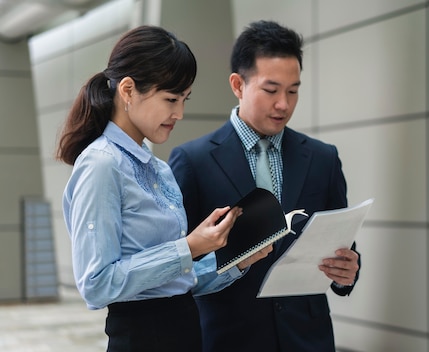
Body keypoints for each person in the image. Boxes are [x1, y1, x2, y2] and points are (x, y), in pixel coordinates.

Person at [57, 25, 270, 352]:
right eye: (171, 99)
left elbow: (177, 282)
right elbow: (97, 284)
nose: (180, 113)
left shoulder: (159, 169)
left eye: (184, 99)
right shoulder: (101, 165)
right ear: (128, 90)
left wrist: (237, 260)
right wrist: (188, 247)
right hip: (141, 338)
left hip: (183, 329)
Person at [168, 20, 361, 352]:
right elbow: (177, 262)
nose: (283, 104)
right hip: (226, 338)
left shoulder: (322, 158)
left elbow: (342, 241)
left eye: (293, 90)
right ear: (238, 85)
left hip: (308, 339)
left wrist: (348, 271)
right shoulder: (192, 161)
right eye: (271, 90)